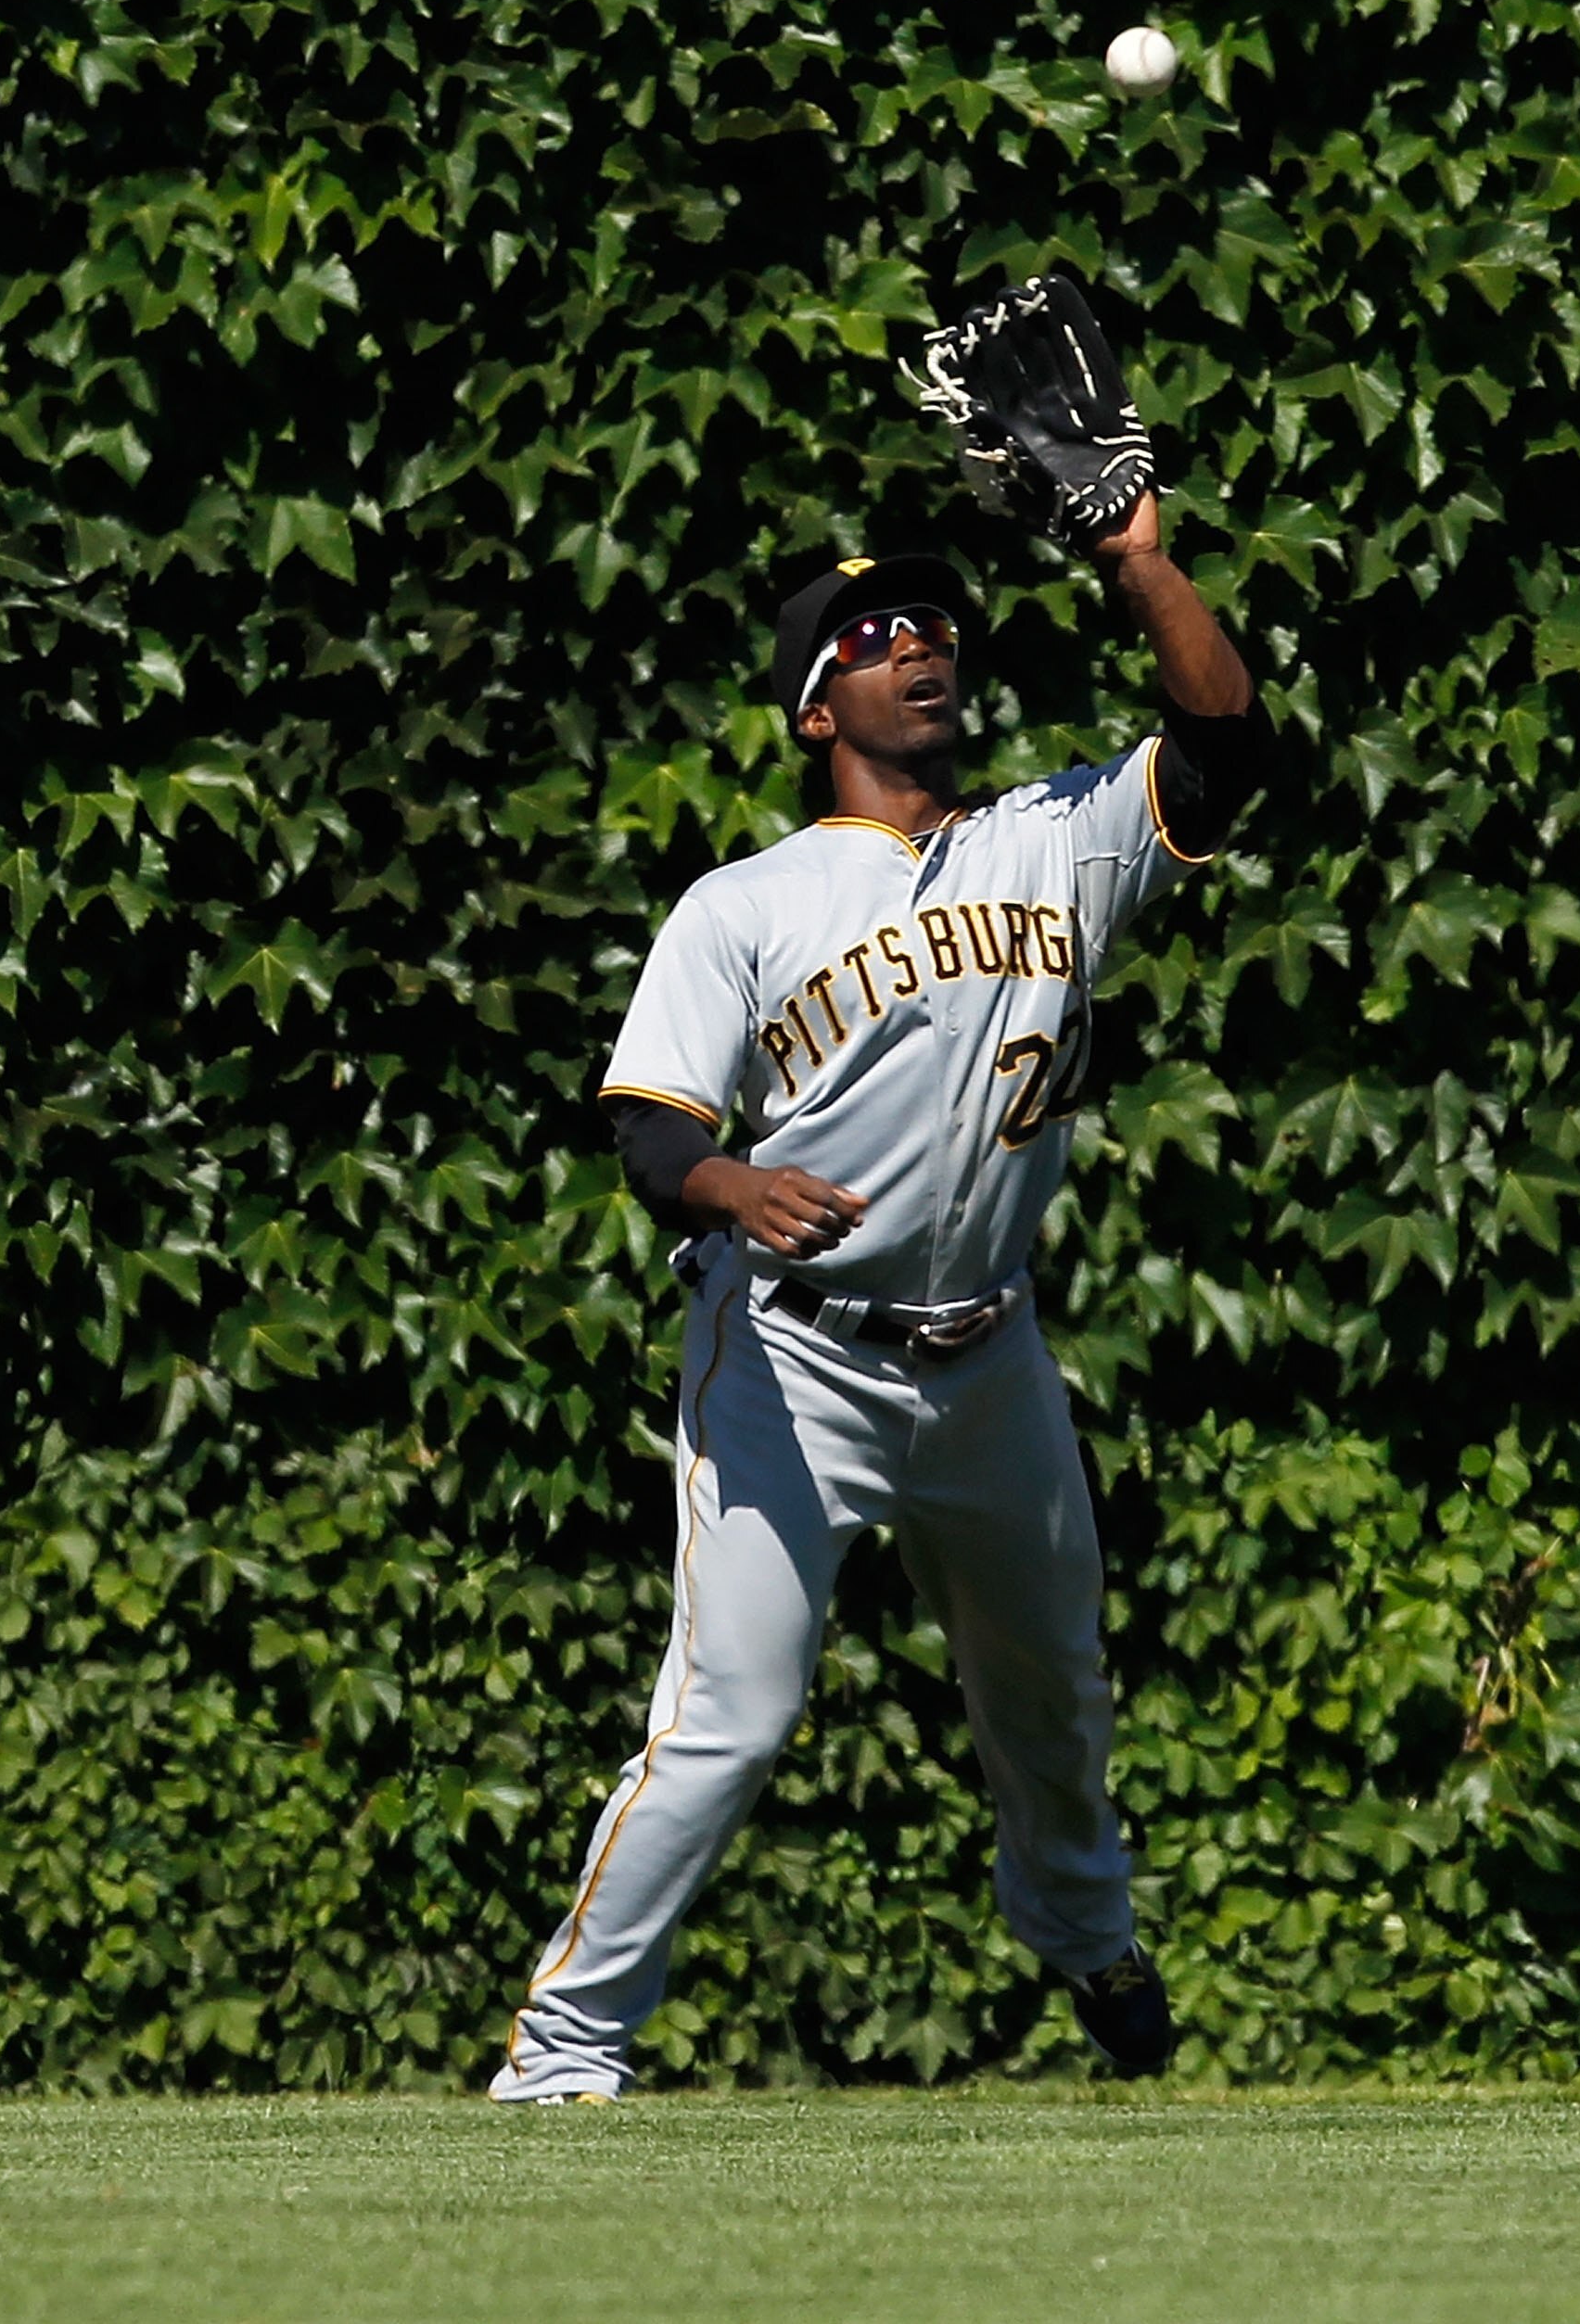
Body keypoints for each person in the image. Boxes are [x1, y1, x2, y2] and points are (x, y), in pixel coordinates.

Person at [491, 482, 1265, 2103]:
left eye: (933, 629)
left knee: (1052, 1694)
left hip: (990, 1355)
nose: (918, 650)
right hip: (793, 1361)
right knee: (732, 1717)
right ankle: (562, 2058)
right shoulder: (747, 903)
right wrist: (728, 1184)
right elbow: (645, 1133)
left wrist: (1137, 560)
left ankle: (1080, 1932)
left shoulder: (1057, 836)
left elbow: (1229, 746)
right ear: (815, 703)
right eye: (873, 637)